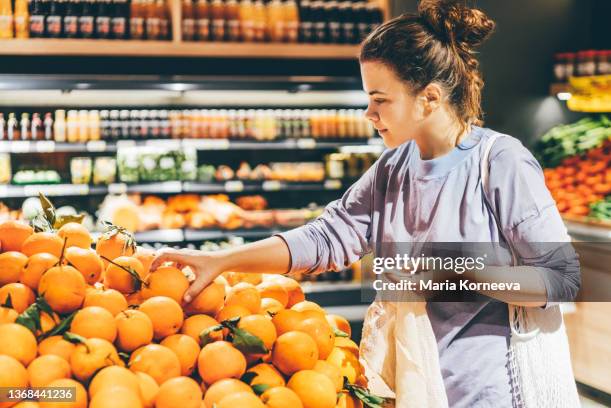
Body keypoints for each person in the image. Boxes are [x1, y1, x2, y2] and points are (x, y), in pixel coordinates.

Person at [152, 1, 579, 406]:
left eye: (380, 99)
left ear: (429, 98)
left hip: (486, 394)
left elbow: (561, 280)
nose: (368, 113)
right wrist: (223, 261)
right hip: (409, 387)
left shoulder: (499, 162)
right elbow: (325, 238)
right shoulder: (393, 168)